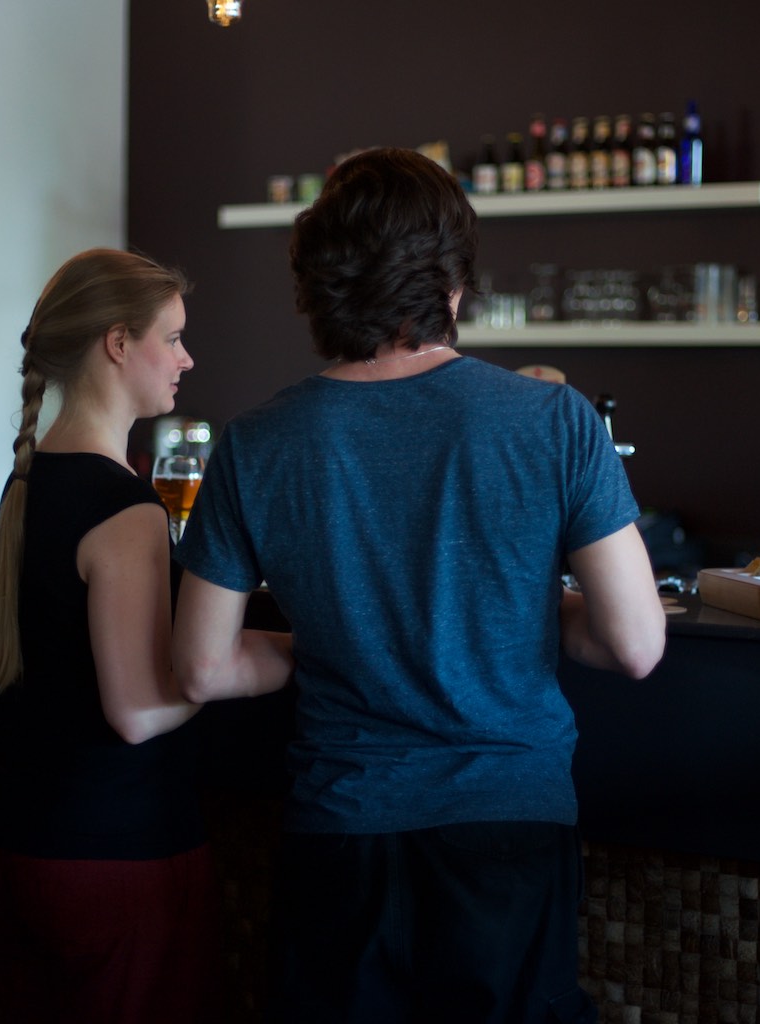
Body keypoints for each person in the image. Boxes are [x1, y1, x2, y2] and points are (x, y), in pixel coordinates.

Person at [171, 147, 667, 1024]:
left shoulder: (254, 443)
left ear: (318, 284)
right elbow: (631, 642)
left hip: (341, 829)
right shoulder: (554, 420)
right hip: (507, 826)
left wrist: (342, 633)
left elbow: (202, 669)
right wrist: (517, 605)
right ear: (451, 282)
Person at [0, 248, 220, 1022]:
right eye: (171, 338)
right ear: (117, 343)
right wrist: (263, 662)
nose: (186, 358)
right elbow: (137, 712)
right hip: (114, 859)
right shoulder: (126, 508)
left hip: (18, 844)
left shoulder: (27, 481)